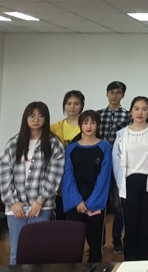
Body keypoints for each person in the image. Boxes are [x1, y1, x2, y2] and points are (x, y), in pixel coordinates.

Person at [0, 101, 65, 265]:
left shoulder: (54, 143)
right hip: (15, 208)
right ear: (25, 118)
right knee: (16, 250)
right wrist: (13, 202)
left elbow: (54, 175)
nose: (36, 119)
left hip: (41, 206)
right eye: (32, 115)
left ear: (46, 119)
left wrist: (40, 200)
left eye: (40, 116)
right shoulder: (14, 143)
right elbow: (5, 173)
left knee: (38, 249)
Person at [112, 96, 148, 261]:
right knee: (131, 226)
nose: (140, 112)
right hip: (128, 183)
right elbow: (116, 162)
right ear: (131, 112)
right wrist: (120, 184)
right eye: (136, 108)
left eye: (144, 109)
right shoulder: (122, 135)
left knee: (147, 226)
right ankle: (130, 263)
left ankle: (146, 262)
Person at [62, 110, 112, 263]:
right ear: (80, 125)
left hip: (95, 199)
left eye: (92, 122)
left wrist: (91, 203)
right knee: (72, 241)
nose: (89, 126)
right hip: (74, 199)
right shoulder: (71, 148)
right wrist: (77, 201)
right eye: (85, 123)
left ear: (98, 125)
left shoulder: (105, 146)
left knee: (95, 243)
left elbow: (104, 177)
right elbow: (68, 176)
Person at [98, 80, 130, 254]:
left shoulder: (128, 116)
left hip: (119, 166)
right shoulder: (98, 115)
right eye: (111, 92)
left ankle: (117, 238)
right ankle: (100, 240)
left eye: (118, 92)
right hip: (100, 166)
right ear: (106, 94)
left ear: (123, 95)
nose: (114, 96)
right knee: (98, 204)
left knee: (119, 205)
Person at [50, 89, 85, 220]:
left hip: (79, 175)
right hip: (59, 174)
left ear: (82, 106)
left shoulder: (87, 126)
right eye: (69, 103)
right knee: (60, 215)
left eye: (76, 103)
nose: (72, 107)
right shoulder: (54, 128)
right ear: (64, 105)